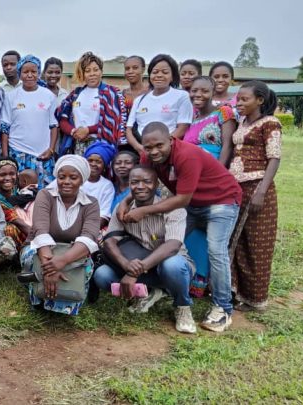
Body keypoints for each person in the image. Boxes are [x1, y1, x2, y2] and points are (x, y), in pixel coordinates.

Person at [119, 122, 241, 332]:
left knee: (216, 250)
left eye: (159, 145)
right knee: (164, 244)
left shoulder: (187, 155)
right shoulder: (148, 157)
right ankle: (160, 289)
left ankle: (223, 309)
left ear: (171, 140)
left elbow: (182, 199)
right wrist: (125, 201)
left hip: (222, 200)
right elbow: (145, 179)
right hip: (194, 203)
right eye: (148, 148)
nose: (154, 152)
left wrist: (144, 211)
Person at [94, 166, 197, 334]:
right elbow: (110, 241)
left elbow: (172, 246)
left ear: (156, 184)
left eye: (147, 182)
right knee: (102, 275)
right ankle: (147, 292)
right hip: (139, 265)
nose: (140, 186)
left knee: (172, 264)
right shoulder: (122, 209)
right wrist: (126, 264)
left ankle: (182, 306)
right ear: (129, 185)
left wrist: (133, 273)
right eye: (135, 182)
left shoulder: (173, 209)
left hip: (172, 268)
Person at [18, 155, 100, 315]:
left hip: (71, 253)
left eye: (73, 177)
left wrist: (61, 261)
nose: (66, 181)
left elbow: (88, 238)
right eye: (62, 177)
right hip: (41, 249)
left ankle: (66, 294)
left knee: (84, 262)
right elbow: (40, 231)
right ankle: (38, 296)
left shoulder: (91, 203)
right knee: (31, 257)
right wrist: (50, 268)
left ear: (82, 180)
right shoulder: (45, 195)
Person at [229, 81, 282, 312]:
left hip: (257, 187)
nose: (239, 103)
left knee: (257, 244)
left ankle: (255, 299)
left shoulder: (270, 123)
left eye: (244, 99)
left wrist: (261, 190)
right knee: (237, 241)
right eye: (238, 99)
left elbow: (274, 158)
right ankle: (236, 290)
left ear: (259, 100)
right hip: (237, 187)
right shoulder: (242, 122)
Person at [0, 55, 57, 187]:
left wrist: (51, 149)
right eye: (25, 72)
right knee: (19, 192)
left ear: (39, 73)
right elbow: (5, 128)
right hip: (18, 153)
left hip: (42, 155)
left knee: (44, 193)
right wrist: (6, 157)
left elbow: (54, 125)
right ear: (20, 74)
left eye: (34, 72)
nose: (30, 75)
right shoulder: (11, 96)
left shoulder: (49, 96)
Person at [58, 52, 126, 156]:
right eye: (87, 71)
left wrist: (88, 130)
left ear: (101, 72)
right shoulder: (76, 94)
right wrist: (73, 132)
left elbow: (113, 122)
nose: (92, 74)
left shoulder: (111, 93)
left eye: (96, 70)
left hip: (102, 145)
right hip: (77, 146)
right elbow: (62, 118)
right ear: (82, 74)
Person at [125, 54, 193, 154]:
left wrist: (159, 147)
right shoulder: (139, 100)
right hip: (142, 151)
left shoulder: (182, 96)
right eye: (155, 72)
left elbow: (182, 128)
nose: (159, 75)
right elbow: (129, 129)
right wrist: (139, 147)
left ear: (172, 76)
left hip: (169, 151)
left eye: (165, 72)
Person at [184, 76, 236, 164]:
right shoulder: (192, 119)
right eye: (194, 91)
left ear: (213, 93)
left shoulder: (222, 112)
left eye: (205, 91)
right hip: (190, 170)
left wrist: (218, 172)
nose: (198, 94)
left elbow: (228, 146)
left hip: (212, 170)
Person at [0, 157, 35, 250]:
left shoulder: (17, 189)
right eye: (2, 175)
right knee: (10, 230)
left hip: (24, 223)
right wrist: (36, 235)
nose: (7, 178)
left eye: (12, 174)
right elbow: (15, 220)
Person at [81, 141, 116, 229]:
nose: (93, 164)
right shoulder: (75, 178)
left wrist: (88, 230)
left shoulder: (107, 186)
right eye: (90, 160)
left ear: (104, 166)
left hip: (93, 226)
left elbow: (104, 215)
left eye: (98, 162)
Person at [110, 150, 139, 214]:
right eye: (118, 163)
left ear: (135, 165)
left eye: (128, 163)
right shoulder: (109, 187)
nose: (122, 166)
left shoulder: (143, 187)